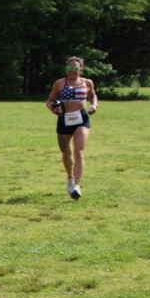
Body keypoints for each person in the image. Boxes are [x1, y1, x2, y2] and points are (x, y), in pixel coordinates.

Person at [46, 56, 98, 199]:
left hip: (81, 119)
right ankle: (70, 178)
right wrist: (53, 108)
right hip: (64, 119)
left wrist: (94, 105)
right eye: (69, 68)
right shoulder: (59, 84)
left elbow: (93, 95)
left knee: (79, 152)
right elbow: (49, 101)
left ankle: (77, 186)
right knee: (65, 152)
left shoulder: (87, 82)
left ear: (81, 69)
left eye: (75, 68)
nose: (72, 71)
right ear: (66, 69)